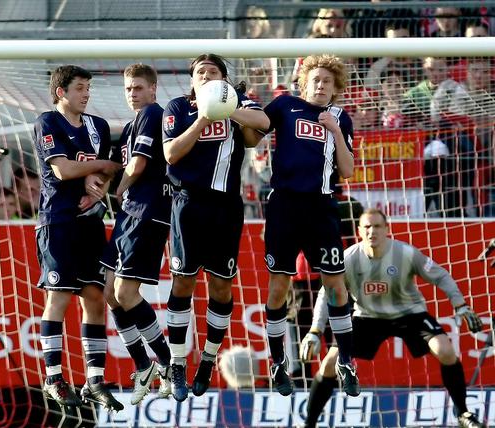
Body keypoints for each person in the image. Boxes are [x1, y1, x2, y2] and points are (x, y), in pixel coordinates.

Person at [300, 209, 486, 428]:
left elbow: (441, 275)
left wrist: (460, 304)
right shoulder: (348, 258)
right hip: (366, 317)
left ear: (387, 229)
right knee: (330, 363)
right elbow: (327, 292)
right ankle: (308, 424)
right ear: (359, 231)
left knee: (446, 351)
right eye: (367, 227)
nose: (372, 231)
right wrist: (315, 331)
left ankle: (463, 414)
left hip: (410, 314)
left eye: (377, 226)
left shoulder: (406, 253)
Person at [246, 54, 357, 397]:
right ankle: (279, 363)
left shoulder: (340, 118)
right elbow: (256, 126)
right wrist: (226, 108)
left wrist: (336, 131)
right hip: (284, 207)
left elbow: (348, 169)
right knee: (279, 288)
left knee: (336, 287)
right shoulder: (285, 105)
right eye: (315, 79)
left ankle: (346, 363)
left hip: (322, 208)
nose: (321, 85)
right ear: (304, 81)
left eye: (327, 81)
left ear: (336, 88)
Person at [162, 54, 269, 401]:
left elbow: (261, 126)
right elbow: (171, 154)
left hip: (226, 206)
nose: (206, 76)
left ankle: (208, 359)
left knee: (221, 287)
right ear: (192, 80)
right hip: (188, 204)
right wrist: (204, 118)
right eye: (200, 73)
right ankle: (178, 363)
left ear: (223, 78)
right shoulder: (178, 107)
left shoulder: (237, 100)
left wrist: (228, 108)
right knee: (184, 280)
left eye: (213, 72)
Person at [33, 65, 122, 410]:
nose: (86, 94)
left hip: (90, 224)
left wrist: (100, 187)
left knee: (95, 299)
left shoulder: (97, 126)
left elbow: (102, 172)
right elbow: (63, 169)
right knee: (59, 297)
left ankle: (94, 380)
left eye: (88, 88)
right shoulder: (48, 122)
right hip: (57, 221)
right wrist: (101, 168)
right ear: (62, 92)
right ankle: (54, 376)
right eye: (81, 88)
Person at [96, 63, 177, 405]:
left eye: (139, 87)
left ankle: (171, 364)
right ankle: (144, 364)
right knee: (108, 291)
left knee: (126, 293)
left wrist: (118, 189)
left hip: (147, 213)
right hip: (129, 216)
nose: (133, 93)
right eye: (129, 88)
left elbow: (137, 165)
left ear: (153, 89)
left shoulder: (153, 114)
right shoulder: (130, 125)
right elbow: (118, 164)